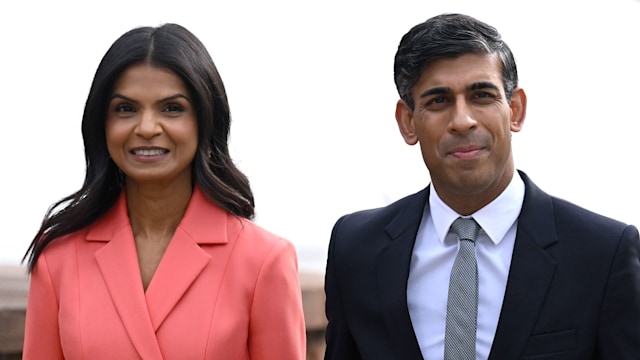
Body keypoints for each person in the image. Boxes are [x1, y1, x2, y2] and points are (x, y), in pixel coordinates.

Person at [324, 13, 640, 360]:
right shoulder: (355, 249)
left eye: (482, 95)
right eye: (438, 101)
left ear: (515, 110)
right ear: (407, 122)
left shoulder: (602, 253)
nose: (462, 120)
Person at [22, 23, 306, 359]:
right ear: (102, 124)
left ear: (205, 121)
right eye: (125, 109)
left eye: (172, 108)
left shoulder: (264, 261)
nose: (146, 128)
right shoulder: (58, 259)